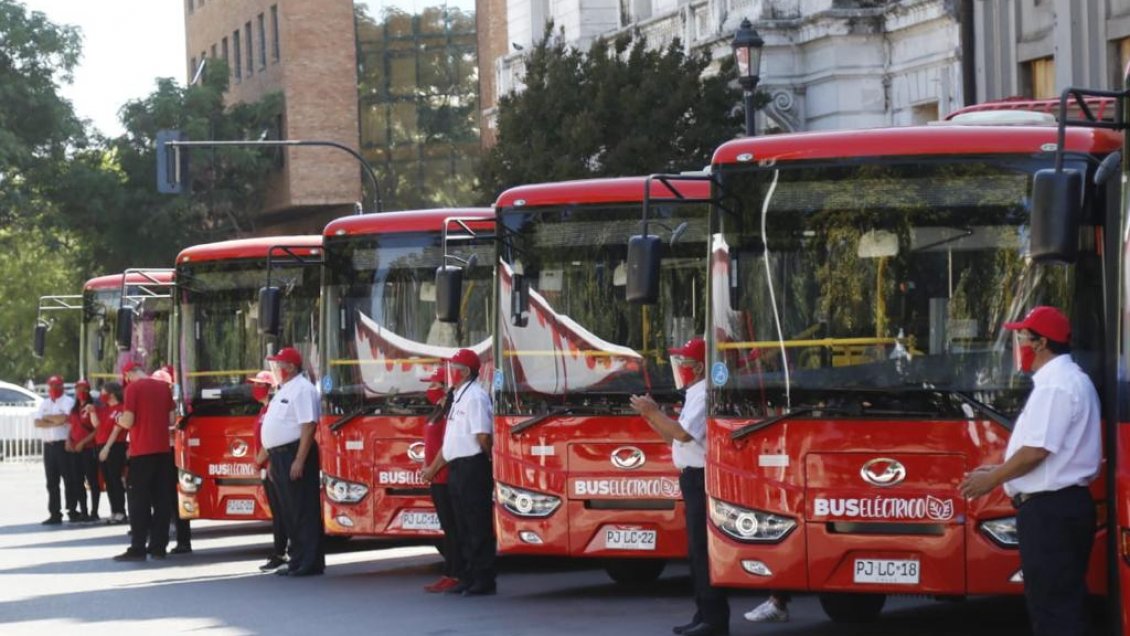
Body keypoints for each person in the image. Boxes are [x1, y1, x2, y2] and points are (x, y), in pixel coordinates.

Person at [960, 306, 1100, 636]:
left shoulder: (1055, 386)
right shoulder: (1072, 379)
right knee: (1061, 602)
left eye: (1022, 337)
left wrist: (991, 479)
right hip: (1063, 507)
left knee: (1053, 610)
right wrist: (1001, 469)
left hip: (1050, 512)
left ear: (1040, 343)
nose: (1018, 344)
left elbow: (1037, 450)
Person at [630, 337, 730, 636]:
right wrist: (650, 416)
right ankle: (703, 613)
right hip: (690, 476)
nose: (680, 367)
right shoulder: (694, 393)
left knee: (702, 550)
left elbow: (684, 435)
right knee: (695, 552)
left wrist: (653, 413)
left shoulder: (703, 393)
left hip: (700, 477)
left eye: (684, 362)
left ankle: (713, 618)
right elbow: (674, 438)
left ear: (698, 367)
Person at [422, 348, 496, 596]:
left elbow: (483, 435)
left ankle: (483, 579)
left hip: (472, 466)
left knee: (476, 525)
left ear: (464, 372)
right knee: (462, 526)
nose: (450, 373)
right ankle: (467, 575)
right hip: (456, 467)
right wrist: (433, 469)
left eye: (454, 369)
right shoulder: (458, 397)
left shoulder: (475, 396)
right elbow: (450, 442)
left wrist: (487, 460)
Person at [261, 347, 324, 576]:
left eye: (279, 364)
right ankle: (297, 557)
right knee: (289, 510)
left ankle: (309, 561)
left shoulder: (303, 389)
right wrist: (270, 459)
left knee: (302, 509)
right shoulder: (284, 389)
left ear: (290, 367)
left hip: (295, 453)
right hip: (279, 455)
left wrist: (299, 460)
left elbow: (308, 426)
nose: (276, 368)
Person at [114, 361, 176, 561]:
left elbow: (129, 421)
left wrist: (118, 420)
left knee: (138, 501)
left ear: (129, 375)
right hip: (163, 451)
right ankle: (158, 547)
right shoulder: (163, 388)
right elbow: (172, 419)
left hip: (141, 452)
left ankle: (138, 546)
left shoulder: (133, 389)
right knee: (161, 500)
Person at [419, 367, 462, 593]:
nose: (430, 389)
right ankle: (449, 572)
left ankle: (456, 574)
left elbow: (447, 446)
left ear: (445, 387)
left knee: (453, 528)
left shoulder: (449, 413)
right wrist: (425, 467)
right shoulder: (438, 410)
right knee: (447, 528)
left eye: (434, 384)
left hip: (444, 476)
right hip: (435, 476)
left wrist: (432, 468)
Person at [250, 370, 289, 573]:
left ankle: (283, 553)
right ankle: (279, 551)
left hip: (273, 466)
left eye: (260, 385)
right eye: (255, 384)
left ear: (270, 387)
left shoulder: (273, 409)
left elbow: (270, 440)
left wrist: (259, 461)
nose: (255, 388)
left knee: (282, 513)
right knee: (277, 513)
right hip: (266, 467)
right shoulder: (264, 410)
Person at [34, 375, 77, 525]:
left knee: (69, 479)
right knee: (52, 481)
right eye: (51, 386)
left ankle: (72, 510)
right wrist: (55, 421)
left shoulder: (68, 401)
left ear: (62, 386)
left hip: (62, 445)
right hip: (49, 446)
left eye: (57, 385)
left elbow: (65, 419)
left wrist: (48, 418)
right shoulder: (45, 403)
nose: (54, 388)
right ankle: (54, 513)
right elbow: (37, 422)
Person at [94, 382, 129, 524]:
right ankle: (114, 510)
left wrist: (107, 448)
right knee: (108, 480)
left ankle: (121, 511)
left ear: (112, 394)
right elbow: (97, 425)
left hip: (115, 446)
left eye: (104, 392)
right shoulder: (105, 409)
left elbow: (117, 430)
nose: (101, 395)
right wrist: (92, 412)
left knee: (115, 479)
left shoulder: (121, 408)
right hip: (101, 444)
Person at [66, 379, 101, 522]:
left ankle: (94, 511)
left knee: (92, 481)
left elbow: (97, 429)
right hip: (75, 450)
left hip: (89, 449)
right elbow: (71, 427)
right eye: (78, 389)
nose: (81, 392)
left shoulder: (93, 407)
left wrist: (83, 442)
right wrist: (68, 440)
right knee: (77, 481)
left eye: (84, 389)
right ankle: (84, 511)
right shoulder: (74, 409)